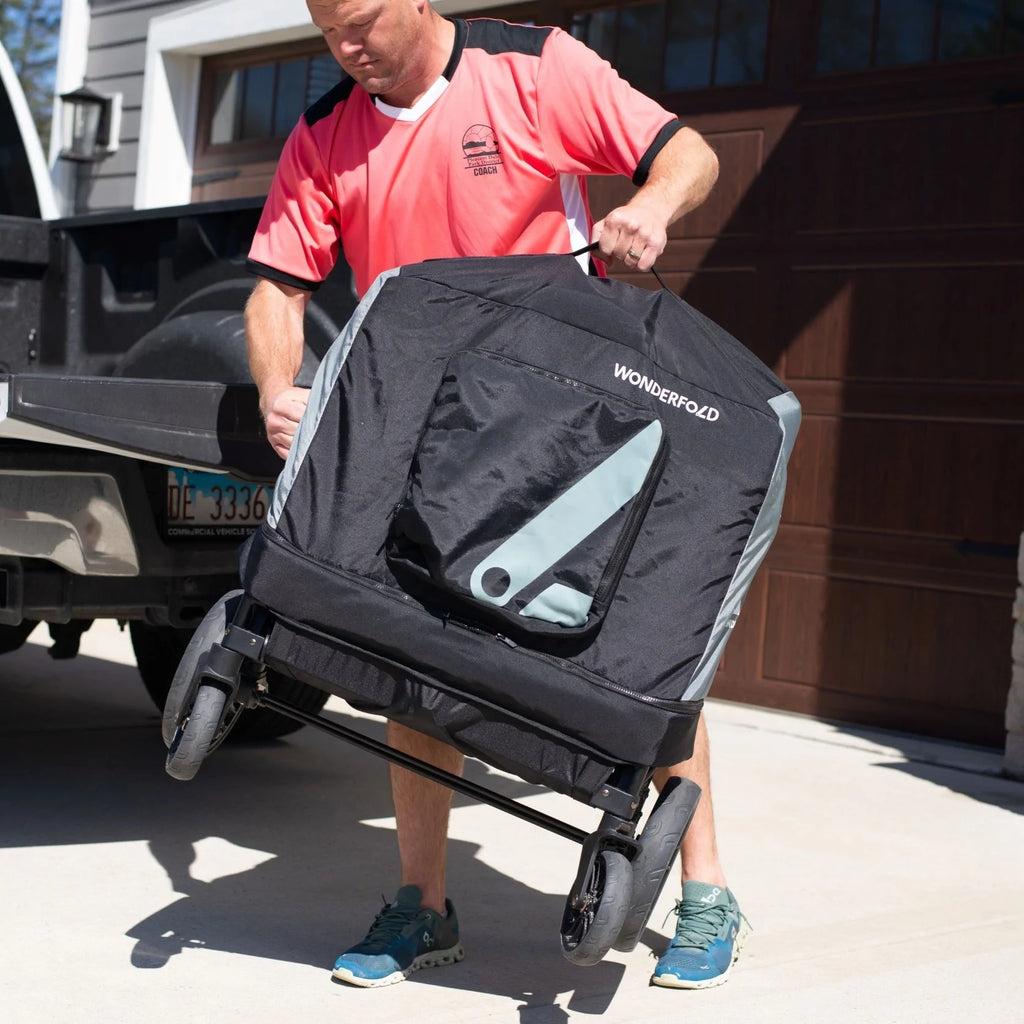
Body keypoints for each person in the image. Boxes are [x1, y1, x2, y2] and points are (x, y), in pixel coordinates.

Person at [245, 0, 746, 992]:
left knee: (637, 648)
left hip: (564, 412)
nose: (347, 47)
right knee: (411, 646)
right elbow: (276, 284)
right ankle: (422, 904)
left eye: (361, 21)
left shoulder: (534, 69)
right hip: (420, 422)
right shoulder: (325, 133)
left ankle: (706, 889)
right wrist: (275, 388)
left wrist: (651, 207)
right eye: (327, 30)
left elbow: (689, 154)